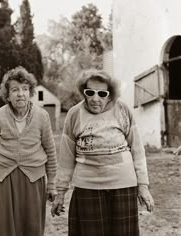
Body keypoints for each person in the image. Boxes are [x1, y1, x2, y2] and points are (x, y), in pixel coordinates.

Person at [51, 69, 154, 236]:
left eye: (102, 93)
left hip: (123, 185)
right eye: (90, 92)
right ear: (83, 92)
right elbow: (66, 158)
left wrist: (143, 186)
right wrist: (60, 193)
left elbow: (137, 150)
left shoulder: (122, 110)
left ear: (110, 94)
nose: (95, 98)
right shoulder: (74, 114)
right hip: (87, 186)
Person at [0, 66, 57, 236]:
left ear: (30, 92)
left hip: (34, 179)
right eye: (15, 90)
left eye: (25, 89)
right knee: (3, 229)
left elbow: (51, 152)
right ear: (7, 95)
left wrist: (52, 184)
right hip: (4, 178)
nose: (20, 94)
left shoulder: (42, 116)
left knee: (31, 228)